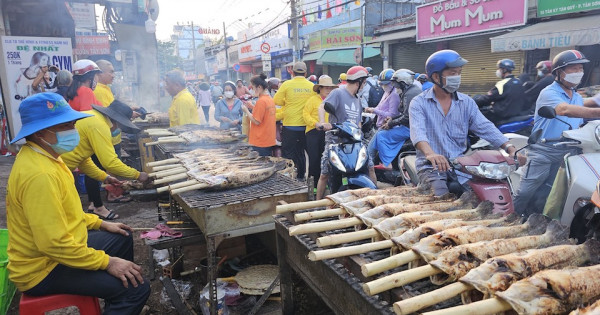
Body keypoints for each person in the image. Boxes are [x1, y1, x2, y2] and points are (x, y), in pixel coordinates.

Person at [6, 93, 150, 314]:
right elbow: (54, 245)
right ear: (40, 132)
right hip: (43, 269)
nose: (72, 130)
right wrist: (108, 263)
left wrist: (100, 224)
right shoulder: (40, 175)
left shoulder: (50, 156)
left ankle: (117, 296)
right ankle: (124, 294)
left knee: (121, 236)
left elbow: (68, 212)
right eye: (65, 125)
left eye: (72, 124)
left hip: (58, 251)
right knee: (137, 290)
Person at [410, 50, 516, 197]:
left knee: (484, 199)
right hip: (431, 167)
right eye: (453, 73)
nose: (457, 77)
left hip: (461, 166)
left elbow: (484, 126)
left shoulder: (467, 102)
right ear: (436, 76)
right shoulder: (419, 103)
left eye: (459, 73)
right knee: (440, 201)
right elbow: (418, 132)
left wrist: (507, 146)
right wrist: (431, 154)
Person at [513, 50, 600, 215]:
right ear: (559, 72)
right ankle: (509, 218)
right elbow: (564, 109)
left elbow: (583, 110)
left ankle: (538, 221)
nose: (578, 72)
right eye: (573, 69)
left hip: (567, 152)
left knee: (552, 194)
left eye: (580, 68)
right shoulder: (549, 92)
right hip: (544, 150)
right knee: (526, 191)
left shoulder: (576, 96)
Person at [61, 101, 149, 220]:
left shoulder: (94, 117)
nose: (117, 129)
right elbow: (110, 163)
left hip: (61, 167)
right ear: (116, 121)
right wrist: (138, 175)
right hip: (56, 169)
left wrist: (105, 177)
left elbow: (83, 160)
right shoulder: (100, 125)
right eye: (119, 126)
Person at [315, 66, 377, 200]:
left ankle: (376, 198)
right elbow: (322, 106)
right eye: (364, 82)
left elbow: (358, 122)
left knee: (370, 167)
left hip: (355, 141)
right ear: (358, 81)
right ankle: (317, 204)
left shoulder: (358, 100)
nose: (364, 85)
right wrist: (322, 123)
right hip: (335, 140)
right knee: (324, 174)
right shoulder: (338, 93)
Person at [368, 69, 420, 168]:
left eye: (396, 85)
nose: (395, 88)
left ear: (403, 83)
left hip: (412, 129)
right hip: (410, 126)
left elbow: (407, 117)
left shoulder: (409, 94)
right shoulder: (411, 91)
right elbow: (405, 114)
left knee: (382, 135)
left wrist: (391, 123)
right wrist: (392, 120)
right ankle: (370, 159)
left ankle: (387, 163)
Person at [273, 61, 315, 180]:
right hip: (306, 126)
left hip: (290, 125)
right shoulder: (311, 86)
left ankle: (288, 178)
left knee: (287, 154)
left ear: (292, 73)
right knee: (301, 153)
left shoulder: (287, 85)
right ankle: (302, 177)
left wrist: (288, 101)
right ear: (306, 73)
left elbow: (277, 101)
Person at [303, 75, 337, 182]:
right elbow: (305, 114)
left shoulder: (334, 100)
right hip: (314, 131)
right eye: (326, 88)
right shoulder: (312, 100)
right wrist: (315, 123)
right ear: (320, 89)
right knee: (314, 159)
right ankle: (313, 184)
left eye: (330, 88)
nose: (328, 90)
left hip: (330, 132)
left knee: (328, 159)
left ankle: (326, 182)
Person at [474, 59, 527, 123]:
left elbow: (488, 98)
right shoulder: (519, 81)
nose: (498, 71)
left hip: (501, 115)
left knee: (477, 119)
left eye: (499, 69)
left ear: (504, 70)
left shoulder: (502, 83)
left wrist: (474, 102)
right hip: (515, 113)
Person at [241, 73, 276, 156]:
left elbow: (256, 121)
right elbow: (264, 114)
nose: (252, 90)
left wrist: (246, 111)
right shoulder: (269, 99)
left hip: (260, 141)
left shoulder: (261, 101)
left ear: (259, 87)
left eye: (253, 87)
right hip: (268, 139)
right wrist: (253, 107)